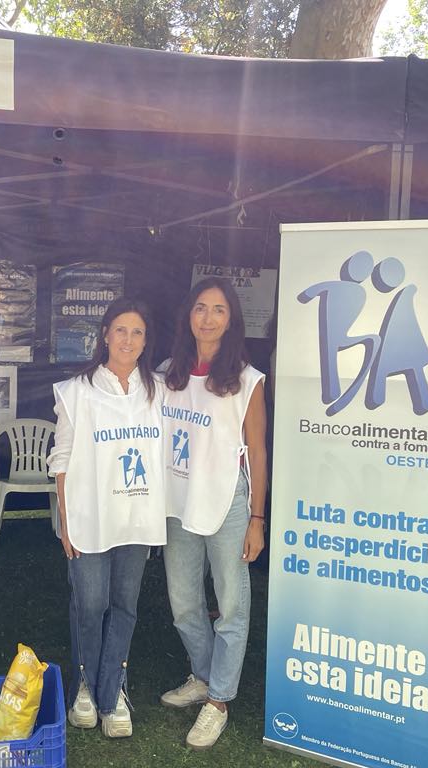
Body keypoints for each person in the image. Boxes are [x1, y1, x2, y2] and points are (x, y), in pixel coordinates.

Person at [47, 298, 167, 738]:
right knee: (91, 603)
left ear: (146, 341)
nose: (128, 340)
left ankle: (113, 690)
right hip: (90, 517)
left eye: (137, 332)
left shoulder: (160, 391)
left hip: (137, 518)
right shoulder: (76, 392)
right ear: (105, 335)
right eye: (120, 330)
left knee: (124, 606)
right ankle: (84, 684)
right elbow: (61, 459)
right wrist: (66, 520)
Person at [159, 277, 268, 749]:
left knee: (231, 605)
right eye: (200, 307)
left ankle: (219, 700)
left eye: (219, 309)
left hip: (227, 502)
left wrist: (257, 518)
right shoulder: (167, 375)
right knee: (184, 604)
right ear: (188, 315)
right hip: (178, 503)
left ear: (231, 320)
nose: (208, 318)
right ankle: (204, 677)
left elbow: (257, 451)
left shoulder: (247, 380)